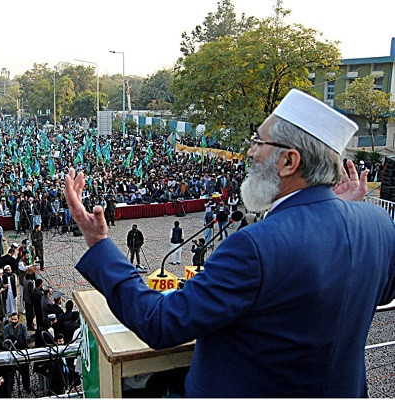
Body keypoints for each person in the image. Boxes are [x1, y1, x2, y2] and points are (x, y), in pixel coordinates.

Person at [63, 88, 393, 397]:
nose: (249, 151)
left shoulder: (254, 246)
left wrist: (100, 243)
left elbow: (161, 323)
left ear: (289, 162)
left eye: (258, 142)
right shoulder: (378, 224)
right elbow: (381, 292)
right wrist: (346, 213)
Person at [3, 313, 30, 392]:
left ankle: (26, 386)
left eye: (15, 319)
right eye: (12, 319)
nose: (14, 321)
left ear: (18, 319)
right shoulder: (6, 328)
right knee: (10, 373)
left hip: (21, 352)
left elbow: (26, 339)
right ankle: (10, 388)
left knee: (25, 372)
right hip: (11, 352)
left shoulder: (23, 327)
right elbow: (5, 342)